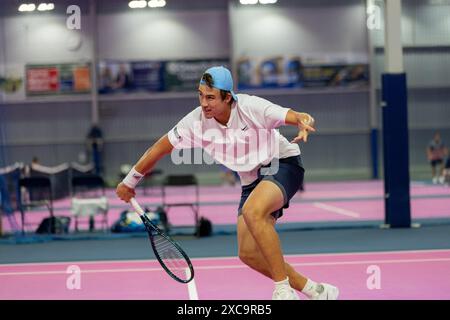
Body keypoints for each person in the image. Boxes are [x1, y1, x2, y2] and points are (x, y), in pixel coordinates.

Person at [116, 66, 339, 300]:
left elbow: (297, 116)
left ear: (228, 97)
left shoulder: (252, 108)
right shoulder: (195, 122)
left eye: (211, 97)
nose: (204, 102)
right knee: (248, 254)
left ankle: (283, 290)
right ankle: (315, 290)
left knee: (254, 212)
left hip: (282, 164)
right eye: (201, 95)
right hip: (251, 179)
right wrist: (130, 180)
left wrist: (304, 122)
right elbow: (159, 148)